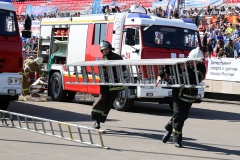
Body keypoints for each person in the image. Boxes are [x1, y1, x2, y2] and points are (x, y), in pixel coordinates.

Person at [156, 47, 206, 148]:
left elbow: (195, 79)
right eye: (192, 61)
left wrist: (185, 68)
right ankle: (177, 139)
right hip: (178, 93)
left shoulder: (201, 67)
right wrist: (160, 76)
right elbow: (168, 69)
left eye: (196, 62)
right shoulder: (182, 63)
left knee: (183, 116)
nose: (193, 63)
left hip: (190, 96)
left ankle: (169, 127)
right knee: (178, 114)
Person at [91, 40, 124, 129]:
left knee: (108, 103)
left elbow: (123, 68)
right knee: (102, 99)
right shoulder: (102, 59)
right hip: (105, 83)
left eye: (106, 49)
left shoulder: (117, 58)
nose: (104, 51)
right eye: (103, 50)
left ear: (109, 48)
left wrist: (114, 68)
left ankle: (100, 121)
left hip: (115, 84)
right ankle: (96, 121)